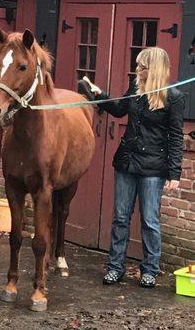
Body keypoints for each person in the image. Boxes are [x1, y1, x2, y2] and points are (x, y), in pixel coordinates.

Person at [78, 47, 184, 288]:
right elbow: (118, 109)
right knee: (121, 218)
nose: (137, 70)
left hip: (154, 168)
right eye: (137, 66)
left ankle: (150, 270)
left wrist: (174, 172)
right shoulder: (135, 90)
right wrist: (99, 95)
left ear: (154, 68)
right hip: (126, 162)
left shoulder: (174, 97)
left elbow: (176, 136)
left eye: (142, 67)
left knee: (149, 220)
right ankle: (115, 267)